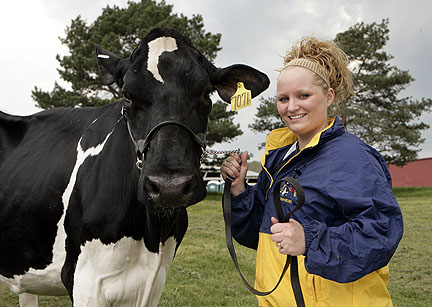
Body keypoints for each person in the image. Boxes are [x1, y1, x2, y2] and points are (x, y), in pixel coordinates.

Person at [220, 37, 403, 306]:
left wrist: (310, 239)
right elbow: (261, 234)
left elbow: (381, 233)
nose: (291, 107)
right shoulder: (278, 158)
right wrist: (238, 189)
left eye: (303, 95)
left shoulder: (352, 156)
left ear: (328, 96)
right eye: (284, 98)